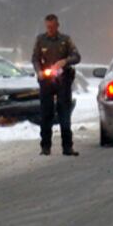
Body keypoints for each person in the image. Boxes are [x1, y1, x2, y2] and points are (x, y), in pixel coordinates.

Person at [32, 14, 81, 156]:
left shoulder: (65, 40)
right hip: (46, 81)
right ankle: (45, 147)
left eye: (52, 27)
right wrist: (39, 71)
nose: (50, 30)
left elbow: (77, 56)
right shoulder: (40, 40)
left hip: (63, 80)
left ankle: (67, 147)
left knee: (64, 113)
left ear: (57, 26)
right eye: (48, 27)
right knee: (46, 113)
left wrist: (64, 61)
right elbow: (35, 58)